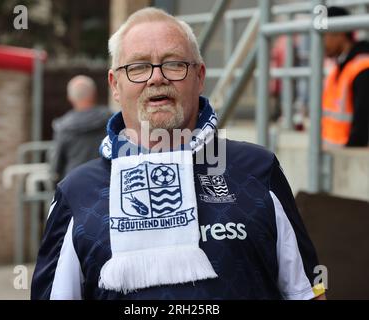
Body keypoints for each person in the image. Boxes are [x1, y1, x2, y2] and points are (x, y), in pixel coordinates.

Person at [31, 8, 326, 300]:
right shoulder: (77, 192)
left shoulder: (258, 170)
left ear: (199, 76)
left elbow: (306, 293)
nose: (156, 78)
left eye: (173, 64)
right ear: (115, 85)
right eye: (138, 66)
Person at [322, 6, 369, 147]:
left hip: (352, 160)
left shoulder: (362, 68)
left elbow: (362, 128)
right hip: (337, 156)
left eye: (324, 35)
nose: (321, 42)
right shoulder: (340, 67)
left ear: (340, 33)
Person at [50, 75, 112, 182]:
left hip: (74, 185)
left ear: (70, 98)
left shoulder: (63, 127)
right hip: (106, 183)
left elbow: (56, 165)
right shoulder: (111, 120)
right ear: (94, 94)